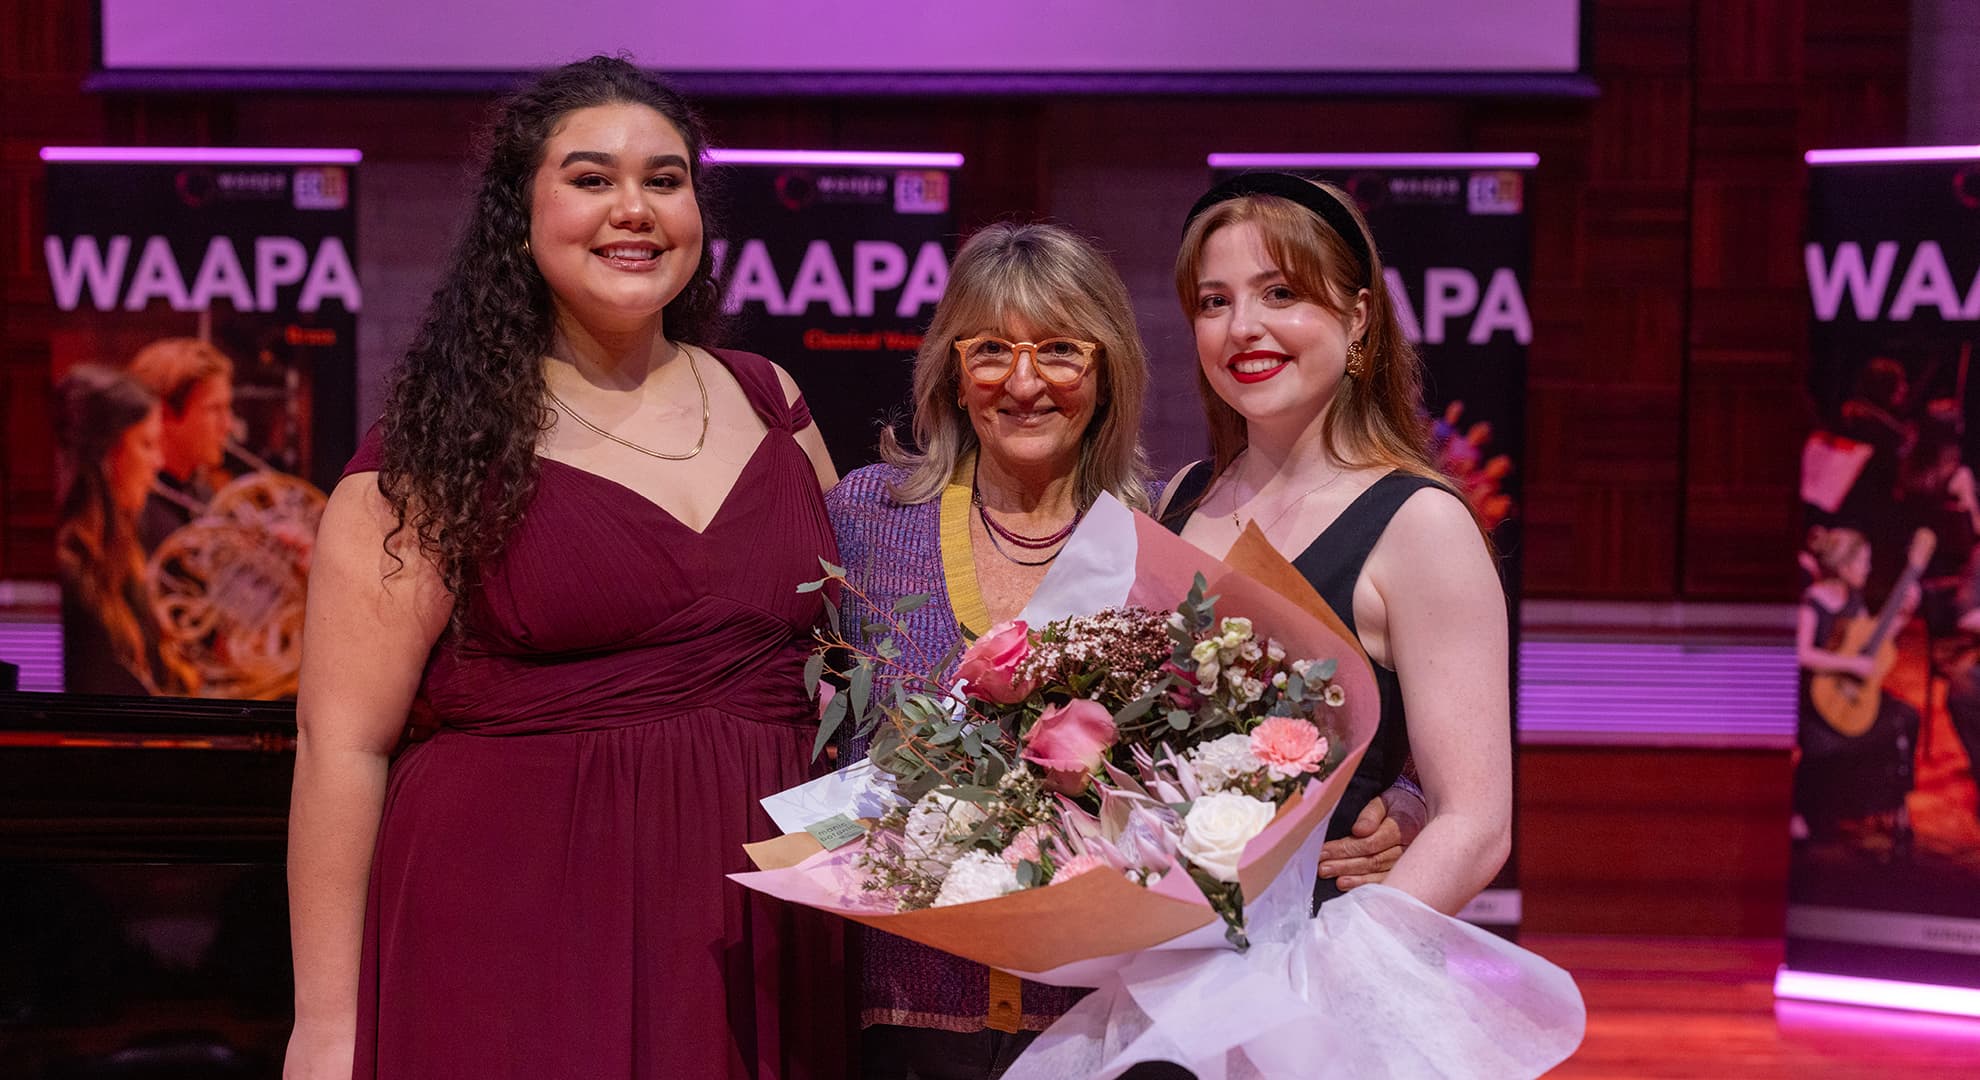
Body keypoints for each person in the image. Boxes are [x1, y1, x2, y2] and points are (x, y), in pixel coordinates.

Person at [283, 56, 842, 1080]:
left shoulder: (775, 403)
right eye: (590, 180)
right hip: (518, 922)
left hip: (763, 931)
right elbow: (341, 749)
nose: (633, 209)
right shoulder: (439, 443)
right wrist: (324, 1028)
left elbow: (851, 675)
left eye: (663, 180)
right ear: (520, 214)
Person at [827, 222, 1419, 1079]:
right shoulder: (869, 518)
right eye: (991, 348)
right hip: (904, 1011)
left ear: (1107, 370)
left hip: (1109, 1028)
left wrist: (1397, 802)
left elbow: (1273, 729)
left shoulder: (1173, 530)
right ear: (952, 370)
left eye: (1061, 350)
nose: (1023, 382)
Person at [1158, 173, 1510, 916]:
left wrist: (1332, 979)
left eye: (1279, 293)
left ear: (1358, 319)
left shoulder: (1421, 524)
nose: (1242, 327)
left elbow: (1475, 827)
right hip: (1164, 956)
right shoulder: (1181, 498)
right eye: (1215, 301)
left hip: (1326, 976)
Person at [53, 365, 197, 697]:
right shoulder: (68, 571)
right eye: (146, 444)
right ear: (106, 455)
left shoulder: (123, 553)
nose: (158, 461)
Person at [1793, 526, 1921, 849]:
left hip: (1850, 695)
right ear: (1844, 567)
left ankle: (1886, 802)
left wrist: (1904, 613)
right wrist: (1848, 665)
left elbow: (1871, 641)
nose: (1868, 568)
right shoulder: (1812, 603)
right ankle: (1802, 810)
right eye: (1863, 562)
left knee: (1906, 717)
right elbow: (1801, 653)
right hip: (1816, 701)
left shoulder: (1854, 599)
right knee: (1828, 746)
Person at [125, 337, 236, 551]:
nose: (228, 426)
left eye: (227, 409)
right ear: (165, 414)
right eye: (215, 409)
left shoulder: (205, 497)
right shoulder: (134, 510)